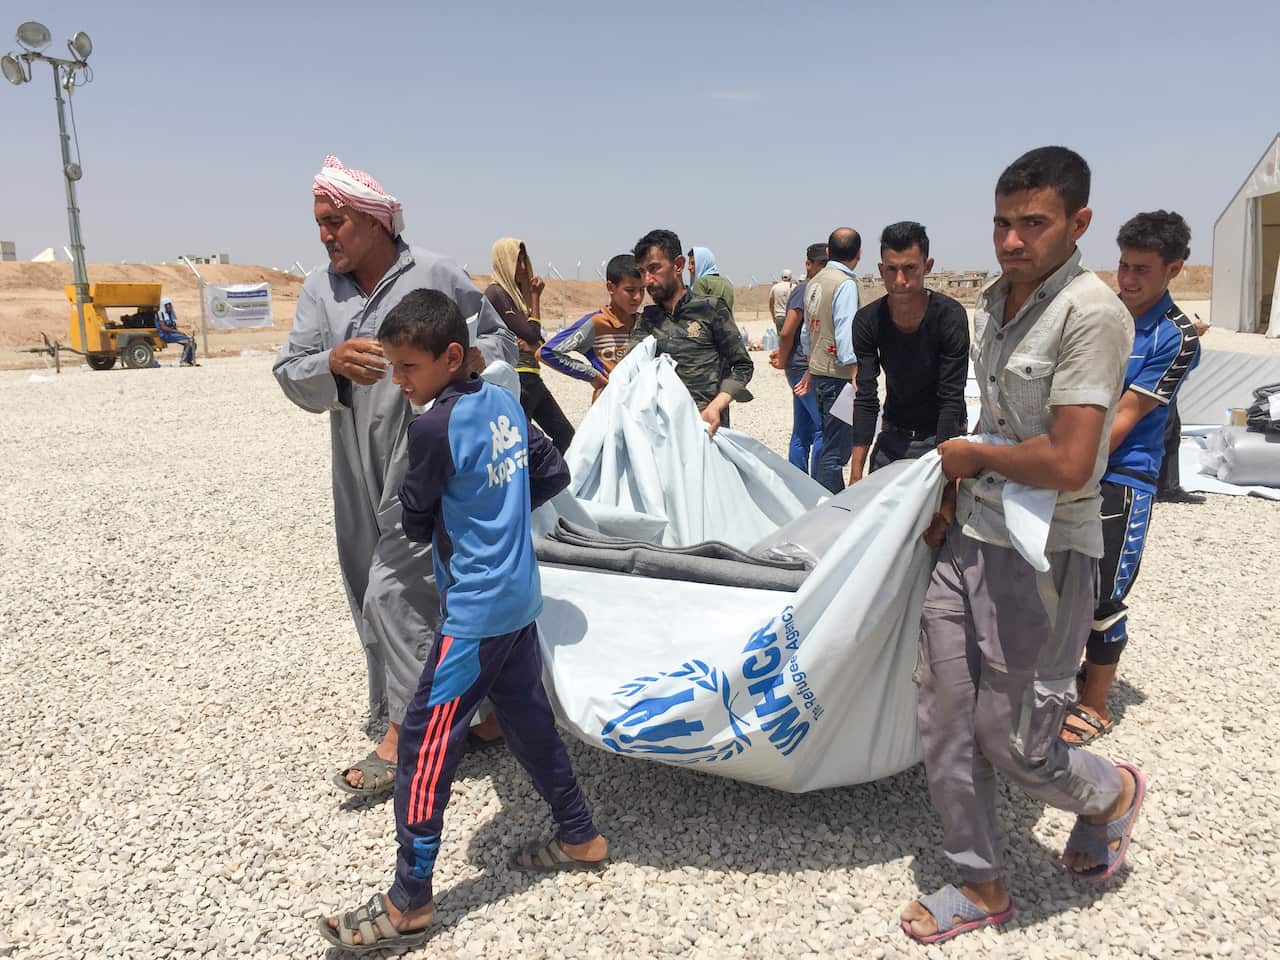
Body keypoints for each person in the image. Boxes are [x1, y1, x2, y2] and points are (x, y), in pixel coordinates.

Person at [904, 146, 1145, 944]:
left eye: (1032, 223)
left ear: (1078, 223)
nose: (1011, 240)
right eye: (1002, 223)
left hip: (1041, 559)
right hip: (970, 538)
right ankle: (979, 880)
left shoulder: (1090, 314)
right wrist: (953, 490)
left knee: (1017, 745)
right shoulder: (993, 304)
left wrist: (972, 458)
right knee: (944, 718)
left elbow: (1071, 461)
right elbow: (998, 419)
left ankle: (1111, 794)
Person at [319, 289, 608, 953]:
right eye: (392, 366)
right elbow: (552, 471)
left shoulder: (432, 428)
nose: (397, 380)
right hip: (518, 598)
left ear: (451, 357)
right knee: (529, 723)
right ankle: (580, 835)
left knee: (423, 744)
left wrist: (464, 516)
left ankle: (409, 901)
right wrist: (498, 513)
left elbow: (417, 518)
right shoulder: (504, 400)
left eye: (408, 367)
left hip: (475, 612)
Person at [273, 155, 516, 799]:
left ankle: (408, 732)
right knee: (370, 580)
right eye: (319, 223)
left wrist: (460, 366)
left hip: (432, 458)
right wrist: (330, 362)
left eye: (335, 221)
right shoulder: (320, 291)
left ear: (375, 221)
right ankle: (481, 712)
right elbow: (290, 370)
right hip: (357, 462)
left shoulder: (435, 273)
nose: (325, 235)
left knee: (397, 586)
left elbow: (499, 344)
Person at [1062, 210, 1202, 746]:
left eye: (1142, 269)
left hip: (1122, 475)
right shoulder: (1103, 315)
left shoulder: (1177, 337)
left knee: (1104, 592)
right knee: (1056, 579)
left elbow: (1124, 416)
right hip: (1070, 460)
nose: (1128, 278)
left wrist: (1062, 463)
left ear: (1174, 269)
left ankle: (1096, 703)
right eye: (1123, 265)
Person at [849, 222, 969, 481]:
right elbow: (866, 396)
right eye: (891, 269)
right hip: (894, 435)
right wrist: (856, 471)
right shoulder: (868, 320)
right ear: (881, 270)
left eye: (910, 268)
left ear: (927, 266)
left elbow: (951, 397)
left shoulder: (949, 317)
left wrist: (948, 479)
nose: (900, 280)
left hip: (941, 437)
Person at [629, 229, 753, 436]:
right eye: (642, 272)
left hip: (706, 430)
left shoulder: (710, 310)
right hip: (662, 433)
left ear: (678, 265)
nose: (647, 280)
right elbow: (630, 369)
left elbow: (742, 366)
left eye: (654, 268)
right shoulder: (647, 320)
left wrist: (717, 405)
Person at [484, 238, 575, 454]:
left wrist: (533, 343)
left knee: (565, 434)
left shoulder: (515, 296)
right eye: (517, 261)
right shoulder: (496, 293)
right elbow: (531, 334)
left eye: (525, 261)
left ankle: (543, 474)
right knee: (520, 445)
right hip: (516, 380)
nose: (523, 268)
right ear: (504, 261)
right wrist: (535, 297)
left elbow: (538, 342)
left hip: (532, 378)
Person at [539, 253, 644, 402]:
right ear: (611, 287)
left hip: (642, 405)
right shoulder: (596, 323)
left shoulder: (645, 324)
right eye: (630, 290)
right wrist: (592, 375)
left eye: (642, 290)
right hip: (609, 405)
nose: (638, 297)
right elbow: (546, 352)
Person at [804, 227, 861, 492]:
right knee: (837, 450)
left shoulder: (814, 282)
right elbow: (845, 330)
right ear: (859, 253)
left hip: (820, 372)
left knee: (829, 440)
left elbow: (806, 332)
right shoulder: (845, 284)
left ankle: (822, 495)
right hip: (839, 377)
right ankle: (830, 501)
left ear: (828, 251)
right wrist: (855, 373)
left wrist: (810, 364)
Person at [769, 244, 827, 474]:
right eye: (821, 264)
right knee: (823, 428)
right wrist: (783, 359)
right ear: (808, 265)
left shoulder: (816, 288)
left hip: (800, 367)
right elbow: (787, 331)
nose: (824, 269)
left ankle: (798, 483)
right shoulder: (805, 290)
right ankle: (819, 484)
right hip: (804, 368)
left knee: (802, 430)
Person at [1154, 310, 1211, 503]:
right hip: (1158, 380)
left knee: (1171, 433)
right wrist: (1192, 332)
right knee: (1162, 433)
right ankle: (1158, 487)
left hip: (1165, 380)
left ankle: (1167, 486)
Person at [686, 246, 735, 310]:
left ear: (703, 264)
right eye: (689, 264)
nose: (689, 268)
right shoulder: (727, 283)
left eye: (693, 264)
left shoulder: (701, 283)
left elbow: (697, 311)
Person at [154, 298, 198, 366]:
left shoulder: (169, 314)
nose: (168, 306)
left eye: (169, 304)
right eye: (166, 305)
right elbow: (163, 327)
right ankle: (183, 361)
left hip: (172, 334)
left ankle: (189, 361)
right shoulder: (160, 314)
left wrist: (183, 329)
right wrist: (177, 332)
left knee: (193, 342)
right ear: (163, 305)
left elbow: (172, 326)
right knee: (189, 341)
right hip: (165, 335)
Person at [768, 268, 796, 334]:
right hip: (790, 317)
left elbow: (771, 304)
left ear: (781, 277)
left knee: (780, 337)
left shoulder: (775, 287)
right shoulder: (794, 287)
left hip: (779, 316)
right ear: (790, 277)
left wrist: (773, 317)